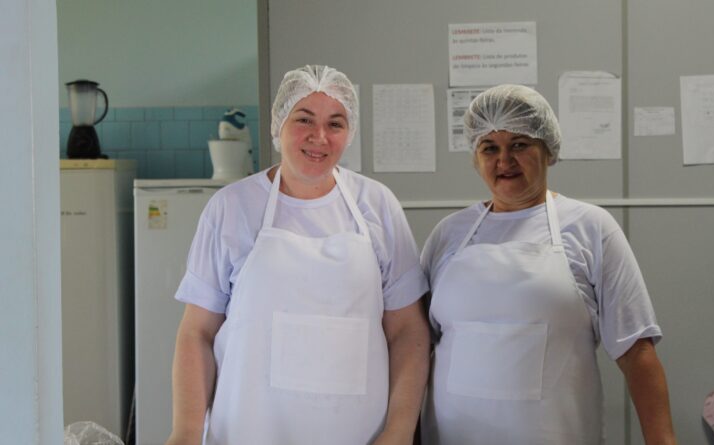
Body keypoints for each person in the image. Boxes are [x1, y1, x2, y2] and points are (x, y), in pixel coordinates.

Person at [166, 65, 430, 445]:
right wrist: (187, 432)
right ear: (278, 125)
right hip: (248, 429)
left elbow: (408, 332)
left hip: (357, 432)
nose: (318, 137)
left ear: (349, 132)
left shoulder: (376, 205)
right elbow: (196, 333)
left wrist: (400, 431)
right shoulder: (232, 207)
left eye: (335, 124)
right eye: (304, 119)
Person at [420, 84, 676, 444]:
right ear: (475, 157)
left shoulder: (591, 228)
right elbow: (416, 348)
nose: (504, 161)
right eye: (489, 147)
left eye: (520, 145)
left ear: (548, 150)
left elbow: (637, 352)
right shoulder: (448, 235)